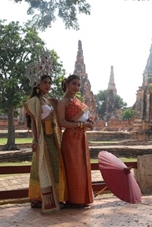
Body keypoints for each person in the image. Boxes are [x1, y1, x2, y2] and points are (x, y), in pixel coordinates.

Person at [24, 74, 68, 213]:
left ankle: (54, 197)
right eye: (45, 82)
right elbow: (35, 124)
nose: (48, 85)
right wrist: (35, 140)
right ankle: (38, 198)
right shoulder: (35, 101)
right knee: (42, 166)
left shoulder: (47, 100)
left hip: (52, 137)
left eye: (49, 82)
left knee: (55, 166)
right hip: (43, 137)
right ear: (38, 84)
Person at [57, 74, 94, 208]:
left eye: (78, 85)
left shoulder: (77, 100)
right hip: (71, 138)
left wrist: (89, 121)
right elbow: (61, 122)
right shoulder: (63, 102)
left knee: (83, 167)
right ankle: (73, 199)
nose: (76, 87)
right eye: (74, 84)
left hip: (81, 137)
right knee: (73, 169)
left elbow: (84, 116)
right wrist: (80, 125)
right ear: (67, 84)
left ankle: (82, 198)